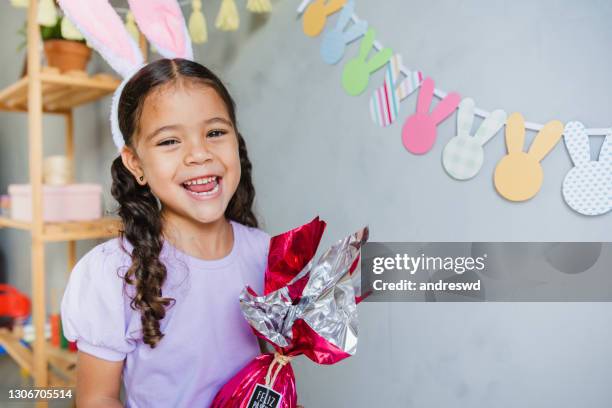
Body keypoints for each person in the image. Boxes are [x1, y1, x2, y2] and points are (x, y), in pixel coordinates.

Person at [61, 58, 272, 407]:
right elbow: (96, 398)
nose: (199, 154)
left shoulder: (267, 254)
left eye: (215, 133)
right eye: (170, 141)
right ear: (136, 164)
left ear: (237, 139)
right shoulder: (111, 272)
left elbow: (272, 370)